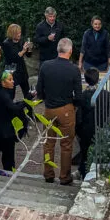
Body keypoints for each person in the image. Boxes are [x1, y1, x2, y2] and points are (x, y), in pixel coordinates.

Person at [36, 37, 80, 185]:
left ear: (57, 49)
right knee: (66, 144)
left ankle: (48, 174)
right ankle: (64, 176)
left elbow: (39, 90)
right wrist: (73, 105)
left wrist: (46, 99)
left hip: (49, 108)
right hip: (66, 108)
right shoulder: (74, 69)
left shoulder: (46, 66)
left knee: (48, 143)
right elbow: (78, 95)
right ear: (71, 50)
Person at [75, 67, 110, 179]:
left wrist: (78, 128)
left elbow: (79, 114)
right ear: (98, 80)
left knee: (84, 152)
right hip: (103, 127)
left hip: (86, 130)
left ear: (86, 80)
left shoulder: (83, 96)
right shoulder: (105, 94)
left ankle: (83, 172)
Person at [0, 70, 27, 171]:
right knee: (8, 153)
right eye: (10, 80)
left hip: (6, 127)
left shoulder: (5, 93)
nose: (13, 82)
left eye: (13, 79)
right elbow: (13, 108)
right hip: (4, 129)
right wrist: (26, 101)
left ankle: (9, 171)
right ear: (3, 82)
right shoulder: (3, 95)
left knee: (9, 153)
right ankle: (8, 172)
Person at [1, 23, 34, 99]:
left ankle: (29, 110)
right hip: (10, 69)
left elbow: (28, 55)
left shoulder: (21, 41)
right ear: (12, 34)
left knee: (27, 92)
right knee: (10, 94)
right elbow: (13, 58)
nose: (19, 34)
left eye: (20, 32)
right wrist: (23, 51)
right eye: (17, 33)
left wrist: (29, 49)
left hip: (21, 68)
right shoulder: (6, 43)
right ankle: (10, 109)